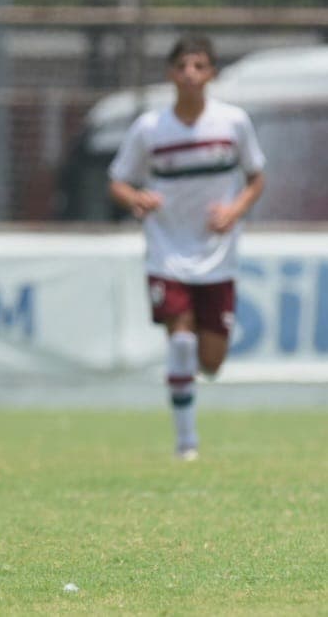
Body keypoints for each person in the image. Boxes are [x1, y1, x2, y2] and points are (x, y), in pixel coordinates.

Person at [108, 34, 266, 461]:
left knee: (211, 362)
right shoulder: (149, 129)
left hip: (216, 254)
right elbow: (119, 180)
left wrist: (233, 212)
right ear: (170, 74)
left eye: (199, 66)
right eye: (183, 66)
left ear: (212, 73)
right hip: (166, 249)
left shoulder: (233, 123)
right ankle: (186, 443)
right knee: (180, 343)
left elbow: (256, 178)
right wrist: (137, 198)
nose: (190, 75)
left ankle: (189, 372)